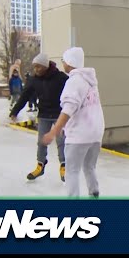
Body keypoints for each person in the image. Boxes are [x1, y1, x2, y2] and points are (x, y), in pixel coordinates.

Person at [43, 47, 105, 198]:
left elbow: (68, 108)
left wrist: (54, 131)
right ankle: (94, 192)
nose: (62, 63)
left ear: (69, 62)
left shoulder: (74, 81)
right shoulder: (90, 82)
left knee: (72, 170)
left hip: (80, 134)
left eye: (63, 60)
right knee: (89, 166)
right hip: (96, 133)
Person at [10, 53, 68, 181]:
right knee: (42, 142)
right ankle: (40, 166)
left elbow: (72, 92)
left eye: (39, 67)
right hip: (44, 115)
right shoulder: (34, 80)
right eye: (34, 67)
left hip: (59, 114)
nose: (36, 70)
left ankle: (64, 166)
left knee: (61, 141)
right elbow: (24, 96)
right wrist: (15, 111)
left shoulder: (60, 78)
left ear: (45, 66)